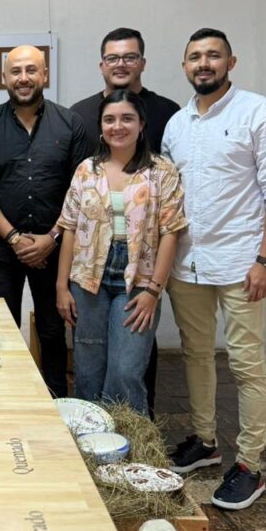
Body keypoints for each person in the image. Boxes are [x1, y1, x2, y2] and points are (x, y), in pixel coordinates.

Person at [163, 29, 266, 510]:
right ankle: (205, 441)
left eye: (213, 55)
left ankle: (250, 466)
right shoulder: (176, 125)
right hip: (188, 263)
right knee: (197, 354)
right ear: (184, 66)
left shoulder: (260, 113)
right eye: (195, 56)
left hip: (242, 264)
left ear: (230, 62)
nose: (204, 63)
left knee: (246, 364)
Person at [0, 45, 90, 397]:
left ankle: (56, 402)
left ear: (44, 74)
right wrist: (14, 238)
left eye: (31, 70)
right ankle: (7, 400)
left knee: (52, 330)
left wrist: (51, 237)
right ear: (4, 78)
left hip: (55, 249)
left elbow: (81, 190)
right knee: (2, 330)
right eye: (16, 71)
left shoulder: (70, 124)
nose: (23, 78)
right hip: (1, 249)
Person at [70, 28, 180, 418]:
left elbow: (171, 231)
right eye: (110, 119)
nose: (118, 126)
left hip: (138, 277)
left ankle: (132, 439)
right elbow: (70, 225)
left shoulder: (161, 170)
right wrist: (61, 286)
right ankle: (90, 437)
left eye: (127, 119)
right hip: (89, 276)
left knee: (127, 368)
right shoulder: (87, 168)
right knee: (88, 365)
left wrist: (153, 289)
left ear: (141, 124)